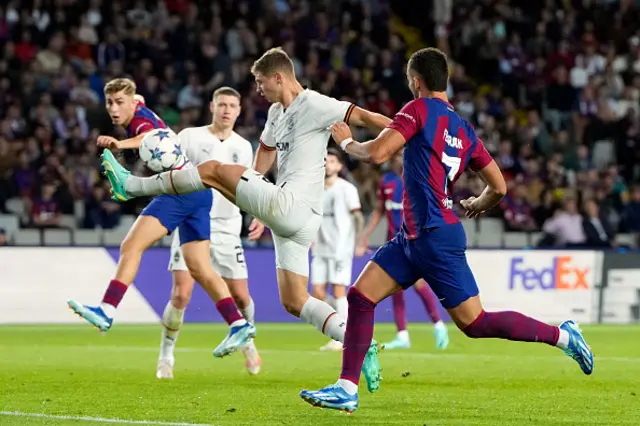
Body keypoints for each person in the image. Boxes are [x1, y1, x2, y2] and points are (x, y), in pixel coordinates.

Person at [299, 47, 594, 413]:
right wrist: (477, 204)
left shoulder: (418, 109)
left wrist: (344, 142)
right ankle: (347, 387)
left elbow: (376, 154)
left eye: (410, 79)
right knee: (360, 298)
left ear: (415, 81)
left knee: (475, 322)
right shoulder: (463, 127)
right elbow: (499, 187)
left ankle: (565, 337)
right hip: (412, 236)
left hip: (435, 236)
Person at [99, 48, 391, 393]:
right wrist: (250, 193)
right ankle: (359, 343)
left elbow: (373, 119)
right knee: (295, 301)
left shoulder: (316, 104)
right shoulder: (275, 111)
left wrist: (412, 134)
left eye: (260, 81)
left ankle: (133, 186)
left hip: (293, 206)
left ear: (278, 77)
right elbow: (267, 150)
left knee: (210, 170)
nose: (258, 88)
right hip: (293, 218)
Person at [67, 79, 255, 359]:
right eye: (110, 103)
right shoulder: (137, 105)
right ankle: (238, 323)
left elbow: (148, 136)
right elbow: (138, 99)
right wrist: (130, 97)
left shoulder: (140, 121)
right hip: (199, 193)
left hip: (178, 191)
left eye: (120, 103)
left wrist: (120, 143)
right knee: (201, 269)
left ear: (132, 103)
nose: (114, 109)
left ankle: (107, 309)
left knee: (131, 247)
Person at [158, 87, 262, 379]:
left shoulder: (243, 146)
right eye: (222, 105)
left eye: (232, 105)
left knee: (241, 295)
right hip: (192, 220)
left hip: (228, 226)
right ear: (211, 107)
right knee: (181, 294)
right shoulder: (190, 136)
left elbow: (249, 187)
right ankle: (166, 355)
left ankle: (248, 343)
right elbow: (170, 168)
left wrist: (260, 217)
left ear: (240, 111)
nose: (227, 110)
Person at [359, 150, 449, 350]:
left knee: (418, 285)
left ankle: (438, 325)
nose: (400, 159)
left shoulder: (418, 179)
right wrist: (365, 235)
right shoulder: (387, 181)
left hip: (413, 242)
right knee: (395, 289)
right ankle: (403, 335)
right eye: (397, 156)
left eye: (403, 155)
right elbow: (379, 210)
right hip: (393, 243)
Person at [310, 148, 364, 352]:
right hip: (321, 247)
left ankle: (342, 337)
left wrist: (359, 241)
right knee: (316, 293)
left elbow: (358, 216)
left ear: (339, 166)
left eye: (332, 161)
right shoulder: (315, 189)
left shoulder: (347, 189)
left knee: (339, 290)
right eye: (325, 160)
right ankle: (346, 322)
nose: (327, 164)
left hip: (341, 247)